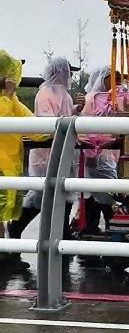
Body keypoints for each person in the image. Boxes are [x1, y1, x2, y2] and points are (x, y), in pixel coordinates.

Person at [8, 56, 85, 240]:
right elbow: (48, 121)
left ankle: (61, 231)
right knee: (40, 193)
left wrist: (76, 110)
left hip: (61, 149)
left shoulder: (64, 94)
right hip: (46, 153)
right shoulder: (45, 94)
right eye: (67, 72)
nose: (69, 76)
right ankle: (17, 226)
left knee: (63, 190)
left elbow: (64, 115)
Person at [0, 51, 48, 271]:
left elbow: (34, 127)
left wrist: (55, 130)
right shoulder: (6, 100)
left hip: (7, 167)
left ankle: (6, 258)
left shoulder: (11, 100)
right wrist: (6, 96)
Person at [78, 67, 126, 234]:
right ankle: (113, 229)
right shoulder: (91, 98)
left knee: (101, 192)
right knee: (108, 193)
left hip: (110, 151)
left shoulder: (116, 97)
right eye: (112, 78)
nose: (116, 82)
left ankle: (97, 227)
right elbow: (86, 127)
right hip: (96, 151)